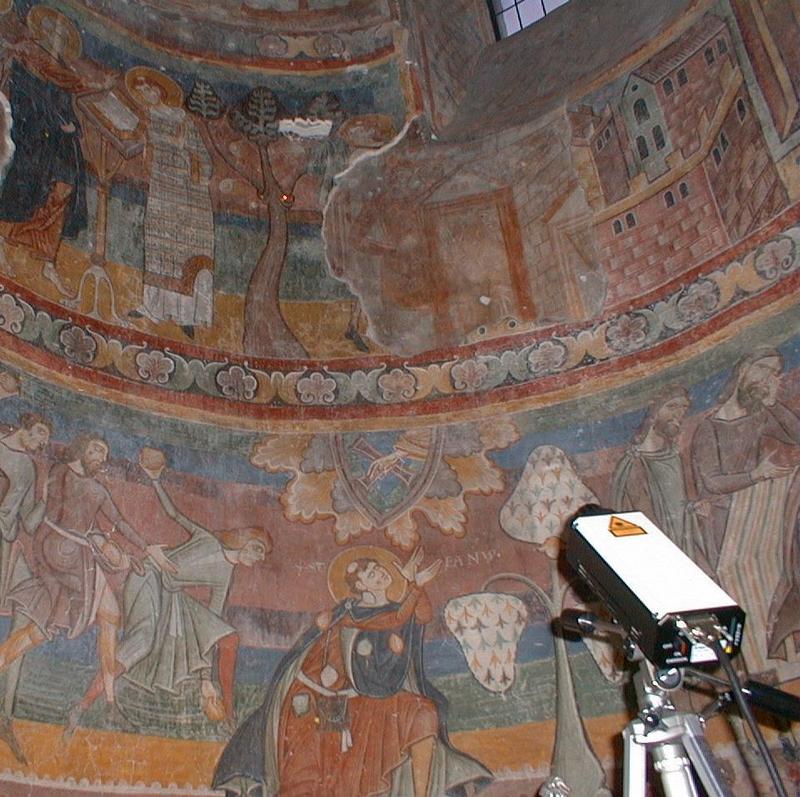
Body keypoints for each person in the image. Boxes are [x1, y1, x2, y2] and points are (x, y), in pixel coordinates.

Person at [213, 546, 492, 797]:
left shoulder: (399, 608)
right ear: (359, 585)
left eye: (380, 569)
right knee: (321, 763)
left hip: (376, 697)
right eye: (371, 573)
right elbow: (389, 621)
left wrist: (413, 586)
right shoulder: (349, 612)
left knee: (425, 711)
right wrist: (413, 588)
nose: (380, 574)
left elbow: (421, 616)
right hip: (334, 701)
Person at [65, 447, 272, 735]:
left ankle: (228, 713)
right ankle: (84, 706)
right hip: (148, 575)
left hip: (171, 597)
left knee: (226, 636)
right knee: (142, 641)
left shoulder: (225, 577)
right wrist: (155, 480)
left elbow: (207, 631)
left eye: (262, 555)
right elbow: (174, 514)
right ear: (244, 541)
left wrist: (204, 679)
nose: (258, 557)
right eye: (257, 549)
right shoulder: (208, 540)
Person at [0, 435, 174, 731]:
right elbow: (55, 517)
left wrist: (144, 549)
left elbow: (120, 522)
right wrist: (97, 542)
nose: (100, 457)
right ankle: (108, 704)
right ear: (81, 449)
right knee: (68, 622)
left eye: (104, 453)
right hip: (62, 552)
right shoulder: (61, 473)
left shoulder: (98, 489)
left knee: (100, 618)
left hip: (77, 554)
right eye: (95, 449)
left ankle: (109, 703)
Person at [691, 348, 800, 678]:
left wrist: (773, 406)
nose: (770, 379)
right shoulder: (709, 429)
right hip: (725, 526)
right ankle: (758, 667)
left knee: (777, 575)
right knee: (742, 583)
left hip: (759, 519)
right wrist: (756, 475)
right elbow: (710, 482)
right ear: (743, 372)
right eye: (764, 370)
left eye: (774, 373)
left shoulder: (761, 415)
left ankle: (784, 656)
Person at [0, 6, 94, 294]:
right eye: (51, 31)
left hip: (54, 142)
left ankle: (47, 259)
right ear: (41, 32)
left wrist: (72, 128)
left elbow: (69, 115)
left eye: (62, 37)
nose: (55, 39)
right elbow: (20, 98)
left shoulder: (62, 75)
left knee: (67, 184)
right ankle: (4, 241)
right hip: (29, 135)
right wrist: (52, 121)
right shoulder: (27, 60)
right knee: (25, 177)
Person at [125, 66, 215, 339]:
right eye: (141, 91)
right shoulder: (146, 120)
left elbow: (203, 157)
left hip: (187, 192)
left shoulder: (182, 119)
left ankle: (187, 314)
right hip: (161, 188)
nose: (146, 94)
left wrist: (194, 171)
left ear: (161, 90)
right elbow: (136, 145)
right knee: (159, 245)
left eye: (149, 88)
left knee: (186, 249)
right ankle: (154, 308)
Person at [0, 412, 50, 762]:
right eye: (40, 433)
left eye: (45, 439)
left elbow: (30, 522)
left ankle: (6, 715)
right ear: (25, 427)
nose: (42, 441)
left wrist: (45, 500)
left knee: (29, 619)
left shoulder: (31, 468)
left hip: (11, 543)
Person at [610, 386, 692, 549]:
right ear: (654, 412)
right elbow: (641, 517)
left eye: (684, 408)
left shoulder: (674, 457)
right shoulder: (634, 463)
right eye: (672, 407)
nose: (679, 414)